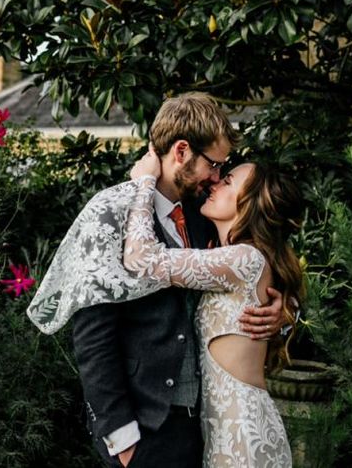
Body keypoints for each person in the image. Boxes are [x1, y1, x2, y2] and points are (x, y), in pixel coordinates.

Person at [26, 93, 286, 467]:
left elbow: (255, 267)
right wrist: (121, 437)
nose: (216, 177)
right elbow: (92, 331)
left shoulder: (204, 214)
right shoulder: (109, 214)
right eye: (214, 164)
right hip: (144, 430)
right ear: (181, 152)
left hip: (206, 429)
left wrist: (281, 310)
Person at [124, 148, 303, 467]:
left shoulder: (244, 259)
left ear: (248, 204)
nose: (215, 184)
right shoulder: (225, 254)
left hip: (244, 441)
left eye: (229, 181)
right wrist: (288, 311)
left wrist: (143, 184)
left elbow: (143, 261)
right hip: (218, 437)